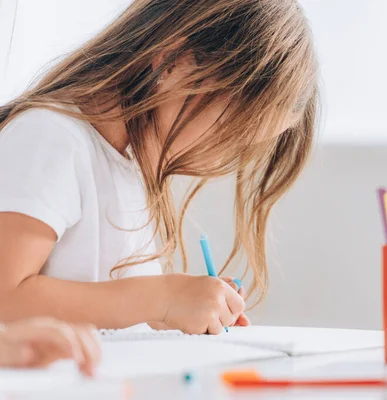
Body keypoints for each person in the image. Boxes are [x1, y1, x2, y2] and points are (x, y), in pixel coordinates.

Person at [0, 0, 319, 334]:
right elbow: (6, 298)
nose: (230, 156)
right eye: (235, 131)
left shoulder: (131, 167)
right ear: (172, 62)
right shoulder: (50, 137)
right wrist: (162, 297)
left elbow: (102, 308)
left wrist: (181, 309)